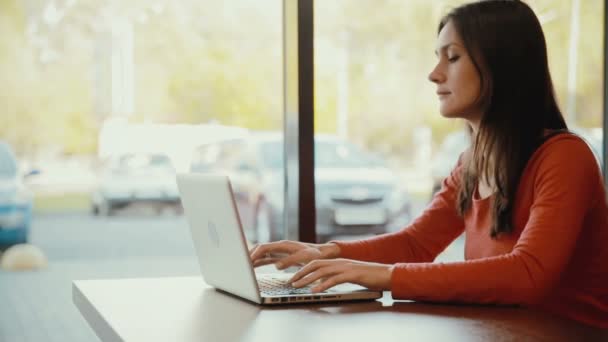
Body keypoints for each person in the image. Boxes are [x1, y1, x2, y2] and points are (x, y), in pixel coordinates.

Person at [250, 0, 608, 328]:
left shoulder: (564, 157)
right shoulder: (471, 164)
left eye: (452, 58)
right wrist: (329, 252)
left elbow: (527, 274)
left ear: (502, 64)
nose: (434, 74)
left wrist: (384, 275)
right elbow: (415, 244)